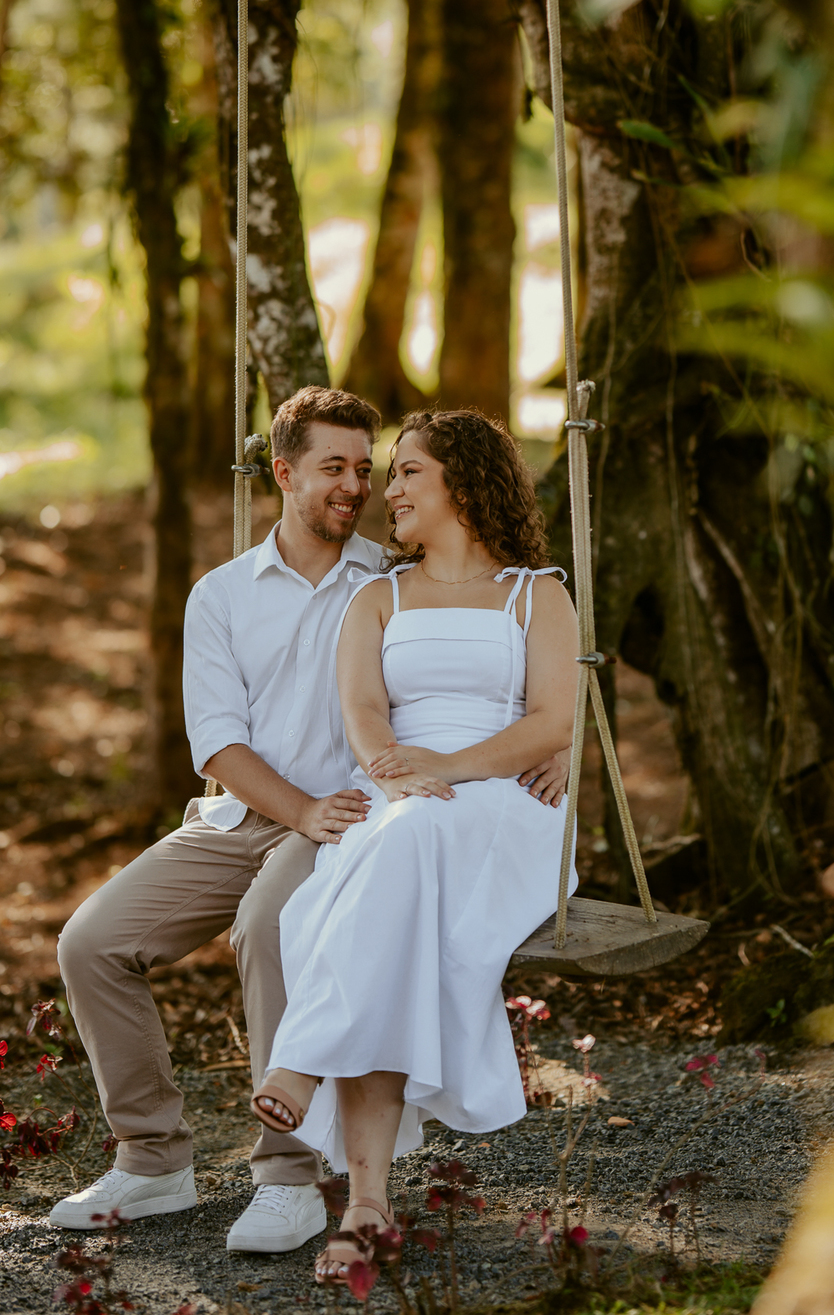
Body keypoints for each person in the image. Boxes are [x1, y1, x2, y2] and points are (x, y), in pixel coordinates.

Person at [51, 389, 568, 1253]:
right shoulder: (222, 595)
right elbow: (217, 743)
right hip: (251, 813)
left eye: (366, 469)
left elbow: (503, 668)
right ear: (283, 474)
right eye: (335, 468)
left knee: (272, 926)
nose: (358, 487)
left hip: (360, 818)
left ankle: (288, 1177)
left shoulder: (392, 573)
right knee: (90, 943)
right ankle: (152, 1159)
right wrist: (299, 809)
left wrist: (559, 747)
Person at [248, 409, 579, 1287]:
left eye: (407, 472)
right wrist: (397, 772)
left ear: (461, 484)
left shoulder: (537, 594)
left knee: (407, 839)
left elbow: (554, 720)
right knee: (396, 875)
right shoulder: (379, 598)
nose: (386, 490)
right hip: (403, 800)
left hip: (509, 805)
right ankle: (364, 1205)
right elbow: (363, 712)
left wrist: (450, 768)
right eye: (389, 474)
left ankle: (304, 1061)